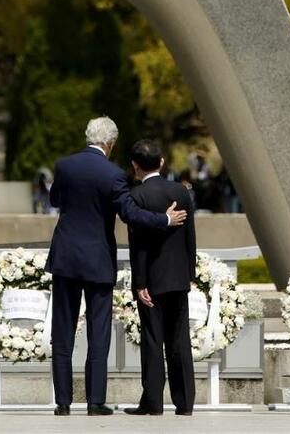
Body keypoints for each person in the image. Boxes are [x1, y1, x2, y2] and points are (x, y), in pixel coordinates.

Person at [45, 117, 187, 416]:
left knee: (62, 332)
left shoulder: (65, 165)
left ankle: (63, 402)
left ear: (88, 137)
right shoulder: (113, 174)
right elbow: (130, 215)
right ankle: (95, 402)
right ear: (110, 144)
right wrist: (164, 219)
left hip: (66, 257)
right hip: (98, 258)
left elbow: (55, 198)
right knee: (99, 332)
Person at [124, 139, 196, 417]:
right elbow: (190, 236)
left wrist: (139, 281)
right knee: (179, 340)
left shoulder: (136, 196)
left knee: (153, 340)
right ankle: (185, 401)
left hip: (151, 280)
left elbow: (138, 244)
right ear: (162, 162)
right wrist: (189, 272)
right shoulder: (181, 190)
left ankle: (153, 401)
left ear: (135, 166)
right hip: (178, 277)